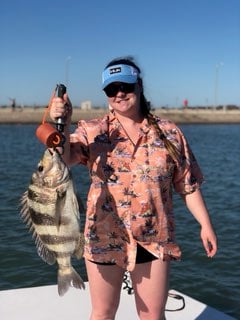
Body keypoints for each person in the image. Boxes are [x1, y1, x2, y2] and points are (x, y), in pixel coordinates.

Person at [50, 56, 217, 320]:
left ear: (138, 86)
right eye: (111, 89)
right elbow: (62, 158)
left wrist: (205, 225)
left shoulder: (169, 132)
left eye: (125, 86)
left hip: (153, 237)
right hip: (104, 235)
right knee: (102, 313)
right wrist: (61, 123)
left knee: (152, 315)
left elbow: (188, 184)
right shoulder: (92, 130)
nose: (119, 94)